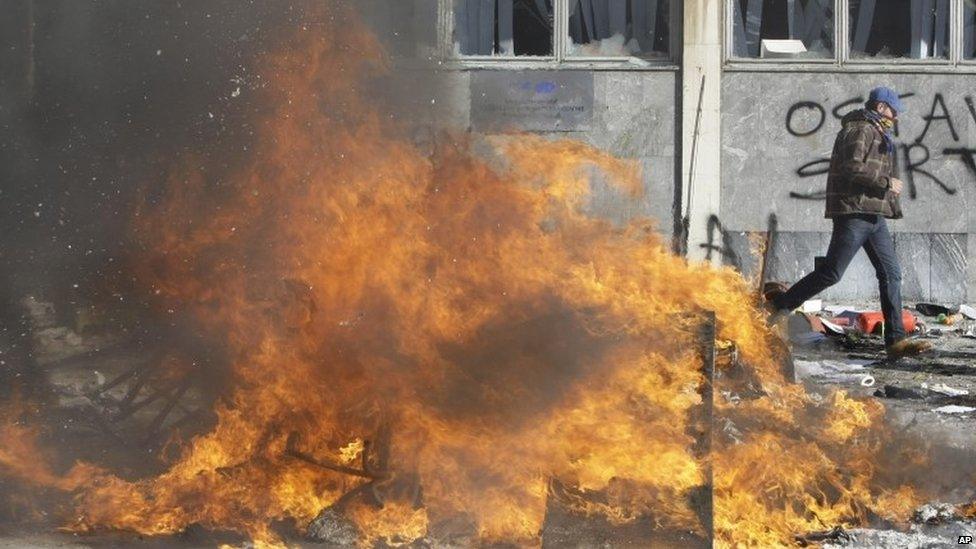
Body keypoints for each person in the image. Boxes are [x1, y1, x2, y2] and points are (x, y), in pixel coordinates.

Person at [766, 86, 931, 359]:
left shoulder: (877, 131)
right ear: (880, 107)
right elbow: (851, 167)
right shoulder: (860, 129)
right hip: (855, 212)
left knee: (891, 274)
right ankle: (778, 307)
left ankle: (895, 342)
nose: (896, 117)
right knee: (832, 272)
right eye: (893, 111)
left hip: (874, 214)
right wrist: (886, 182)